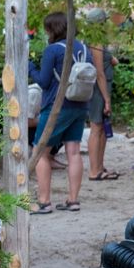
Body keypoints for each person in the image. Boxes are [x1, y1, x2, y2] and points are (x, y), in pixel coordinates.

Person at [28, 12, 88, 214]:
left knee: (40, 152)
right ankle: (73, 200)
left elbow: (44, 81)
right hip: (79, 105)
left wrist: (30, 67)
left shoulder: (53, 50)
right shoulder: (83, 47)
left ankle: (44, 202)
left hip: (56, 106)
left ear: (52, 30)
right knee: (74, 152)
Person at [85, 42, 119, 181]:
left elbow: (112, 61)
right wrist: (106, 99)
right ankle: (94, 170)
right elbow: (99, 73)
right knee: (96, 127)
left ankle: (100, 167)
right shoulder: (96, 42)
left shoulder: (103, 41)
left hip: (105, 89)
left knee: (103, 129)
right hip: (98, 90)